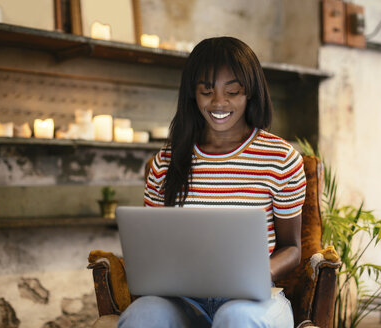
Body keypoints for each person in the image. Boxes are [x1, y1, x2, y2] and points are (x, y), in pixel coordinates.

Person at [119, 36, 306, 328]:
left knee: (237, 318)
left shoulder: (280, 158)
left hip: (254, 301)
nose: (219, 102)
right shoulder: (164, 163)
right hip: (182, 301)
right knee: (143, 315)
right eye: (207, 91)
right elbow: (153, 250)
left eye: (233, 91)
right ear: (192, 94)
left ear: (250, 94)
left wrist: (261, 272)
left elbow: (292, 248)